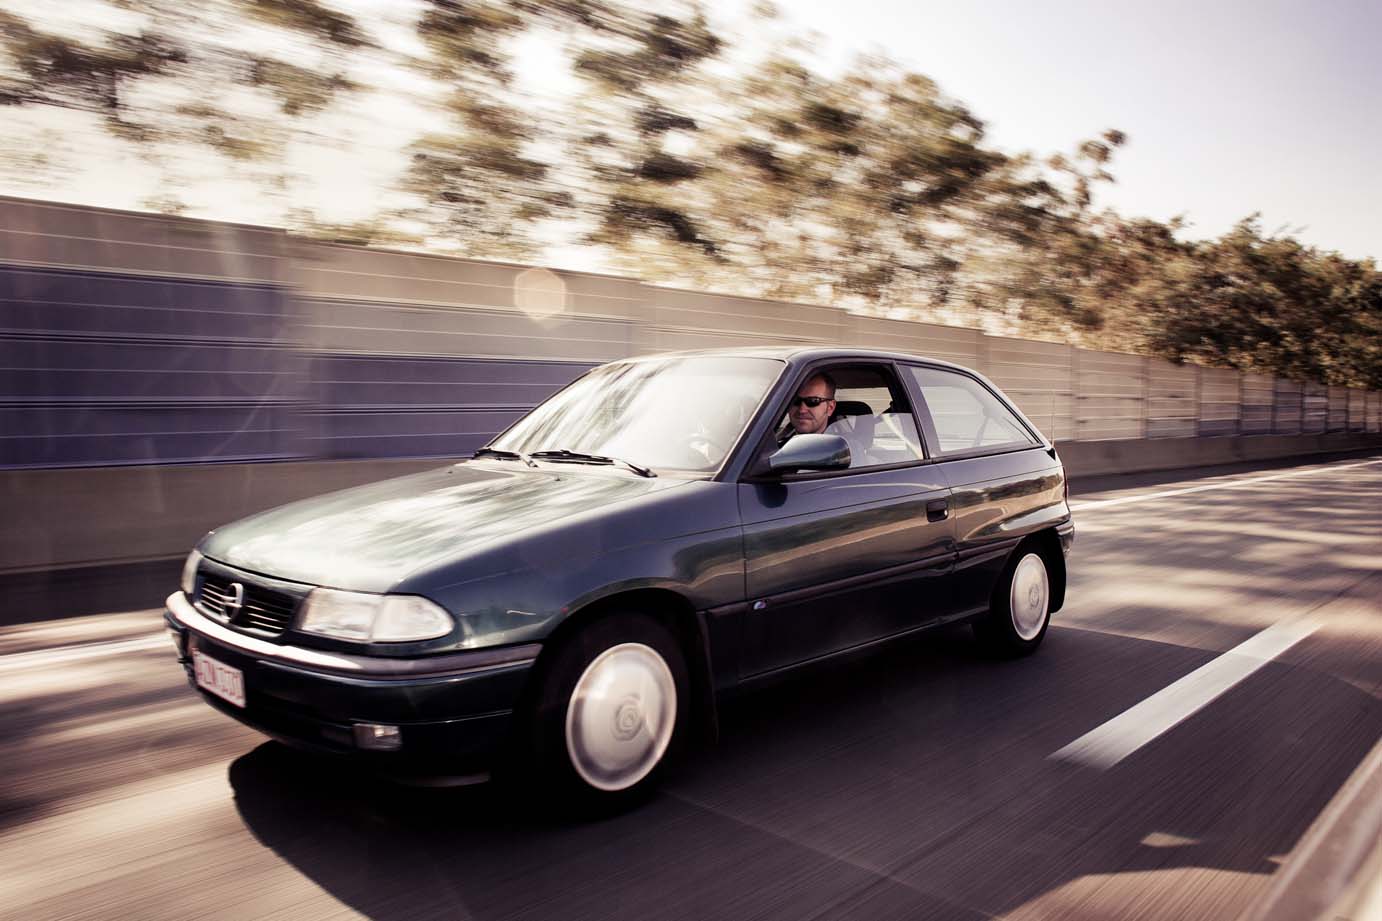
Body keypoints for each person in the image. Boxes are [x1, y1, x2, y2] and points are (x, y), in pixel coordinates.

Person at [777, 372, 837, 445]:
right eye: (795, 400)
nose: (802, 410)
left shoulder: (844, 449)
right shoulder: (772, 443)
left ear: (830, 408)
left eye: (813, 401)